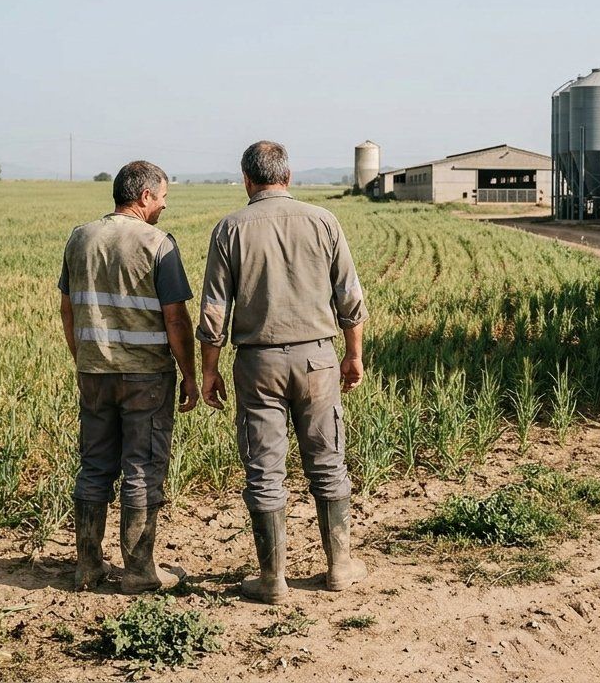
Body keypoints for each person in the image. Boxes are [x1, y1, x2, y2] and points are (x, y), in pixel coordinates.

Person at [197, 140, 368, 604]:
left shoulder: (230, 228)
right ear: (287, 178)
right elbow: (350, 299)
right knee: (328, 462)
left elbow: (214, 311)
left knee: (264, 471)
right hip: (318, 360)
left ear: (247, 180)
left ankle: (273, 579)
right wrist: (353, 356)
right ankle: (339, 568)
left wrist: (209, 371)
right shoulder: (324, 221)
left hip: (258, 364)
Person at [59, 160, 198, 593]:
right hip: (146, 376)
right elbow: (176, 318)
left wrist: (84, 357)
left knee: (94, 466)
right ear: (143, 197)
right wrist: (190, 375)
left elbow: (68, 308)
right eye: (161, 198)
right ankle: (139, 571)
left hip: (93, 371)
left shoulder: (79, 238)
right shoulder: (157, 242)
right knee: (142, 468)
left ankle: (88, 567)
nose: (163, 206)